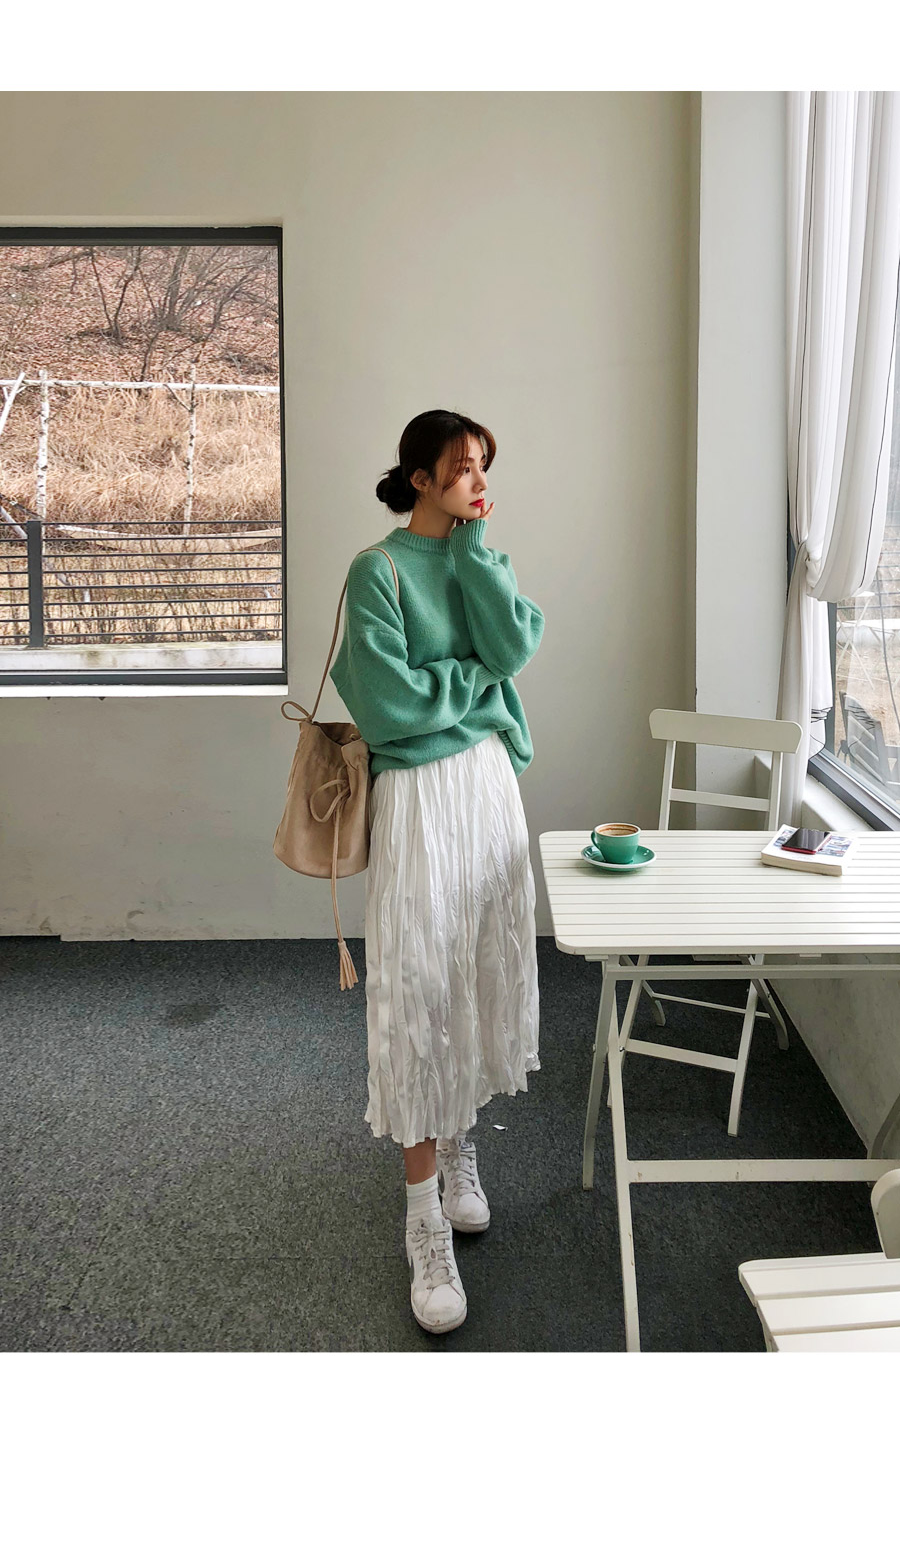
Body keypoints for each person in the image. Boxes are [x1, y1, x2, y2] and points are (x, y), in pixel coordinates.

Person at [329, 409, 545, 1335]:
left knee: (473, 981)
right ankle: (423, 1219)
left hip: (488, 791)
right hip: (418, 798)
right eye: (462, 468)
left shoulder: (478, 559)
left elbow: (515, 649)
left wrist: (475, 556)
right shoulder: (375, 571)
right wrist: (478, 683)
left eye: (485, 467)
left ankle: (459, 1151)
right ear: (420, 477)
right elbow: (388, 707)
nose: (479, 482)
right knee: (417, 992)